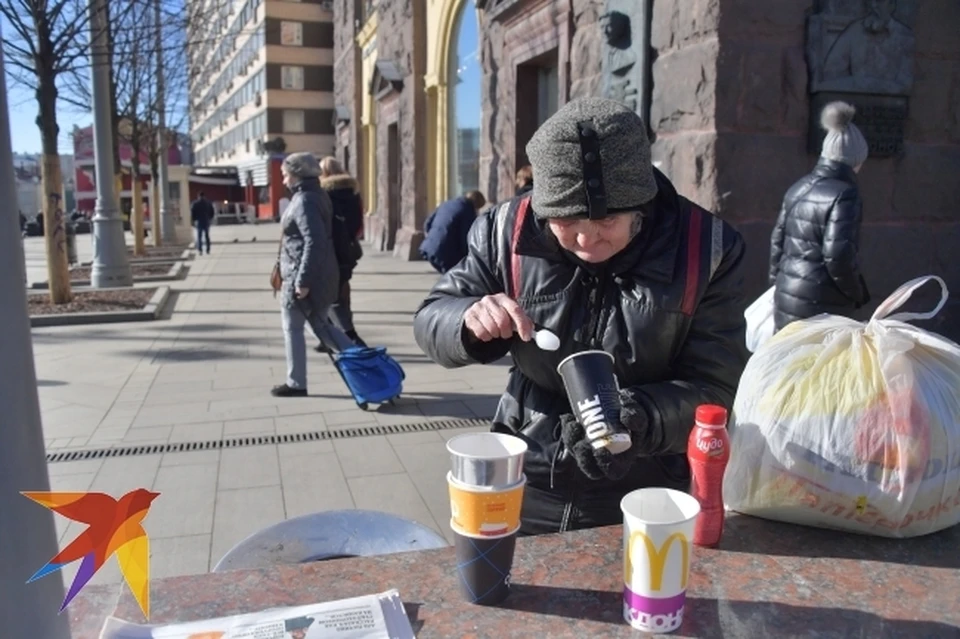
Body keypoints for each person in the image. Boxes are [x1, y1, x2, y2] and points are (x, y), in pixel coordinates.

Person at [414, 97, 748, 536]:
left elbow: (717, 388)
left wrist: (641, 418)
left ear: (641, 208)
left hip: (645, 490)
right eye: (567, 220)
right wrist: (468, 322)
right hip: (525, 468)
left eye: (608, 220)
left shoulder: (705, 251)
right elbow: (430, 317)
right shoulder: (503, 232)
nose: (587, 239)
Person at [769, 101, 870, 331]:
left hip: (786, 296)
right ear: (855, 160)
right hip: (821, 304)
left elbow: (777, 244)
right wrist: (857, 293)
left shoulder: (798, 188)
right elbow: (838, 256)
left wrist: (779, 285)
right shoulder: (845, 195)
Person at [273, 152, 356, 398]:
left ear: (298, 174)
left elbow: (314, 241)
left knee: (293, 328)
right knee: (321, 326)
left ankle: (296, 383)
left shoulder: (305, 201)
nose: (285, 180)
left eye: (286, 175)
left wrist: (303, 282)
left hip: (304, 277)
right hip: (319, 273)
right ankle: (363, 361)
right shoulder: (315, 195)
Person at [318, 155, 367, 349]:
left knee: (331, 296)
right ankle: (332, 336)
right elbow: (358, 224)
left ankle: (350, 337)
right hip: (348, 250)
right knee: (342, 291)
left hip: (331, 250)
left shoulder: (324, 195)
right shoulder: (353, 193)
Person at [418, 190, 486, 274]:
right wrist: (468, 256)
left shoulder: (447, 203)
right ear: (476, 204)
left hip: (428, 248)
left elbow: (427, 223)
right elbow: (465, 237)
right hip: (445, 252)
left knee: (449, 277)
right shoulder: (468, 211)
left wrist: (432, 238)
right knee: (455, 277)